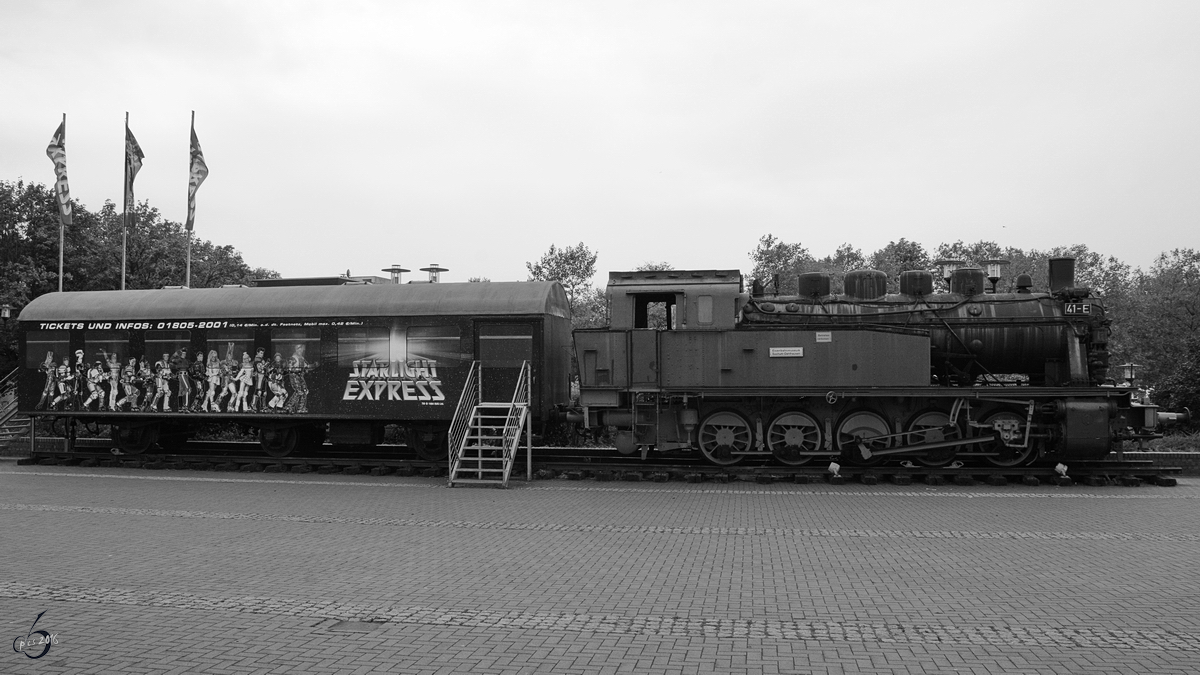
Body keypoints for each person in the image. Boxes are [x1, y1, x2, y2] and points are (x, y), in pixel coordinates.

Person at [285, 344, 311, 414]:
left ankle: (301, 408)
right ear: (295, 350)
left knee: (305, 391)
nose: (300, 350)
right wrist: (298, 369)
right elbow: (289, 368)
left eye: (301, 349)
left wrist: (310, 367)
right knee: (298, 391)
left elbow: (306, 366)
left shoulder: (302, 358)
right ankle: (289, 406)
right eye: (298, 349)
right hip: (294, 376)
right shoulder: (293, 358)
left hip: (301, 376)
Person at [171, 348, 191, 412]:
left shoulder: (186, 360)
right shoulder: (178, 360)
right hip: (181, 374)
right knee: (187, 388)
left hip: (185, 375)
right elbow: (172, 360)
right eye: (183, 353)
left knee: (181, 391)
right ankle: (185, 406)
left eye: (185, 353)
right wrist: (176, 354)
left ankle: (180, 407)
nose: (184, 354)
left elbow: (189, 367)